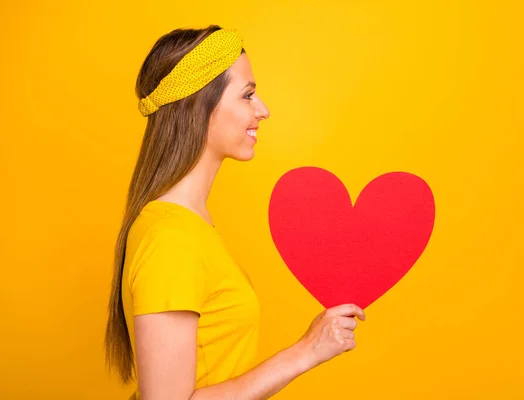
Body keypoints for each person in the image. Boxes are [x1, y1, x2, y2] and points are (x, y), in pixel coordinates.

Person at [104, 25, 366, 400]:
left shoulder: (189, 227)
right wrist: (306, 350)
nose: (263, 110)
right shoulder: (171, 238)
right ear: (199, 103)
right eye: (247, 95)